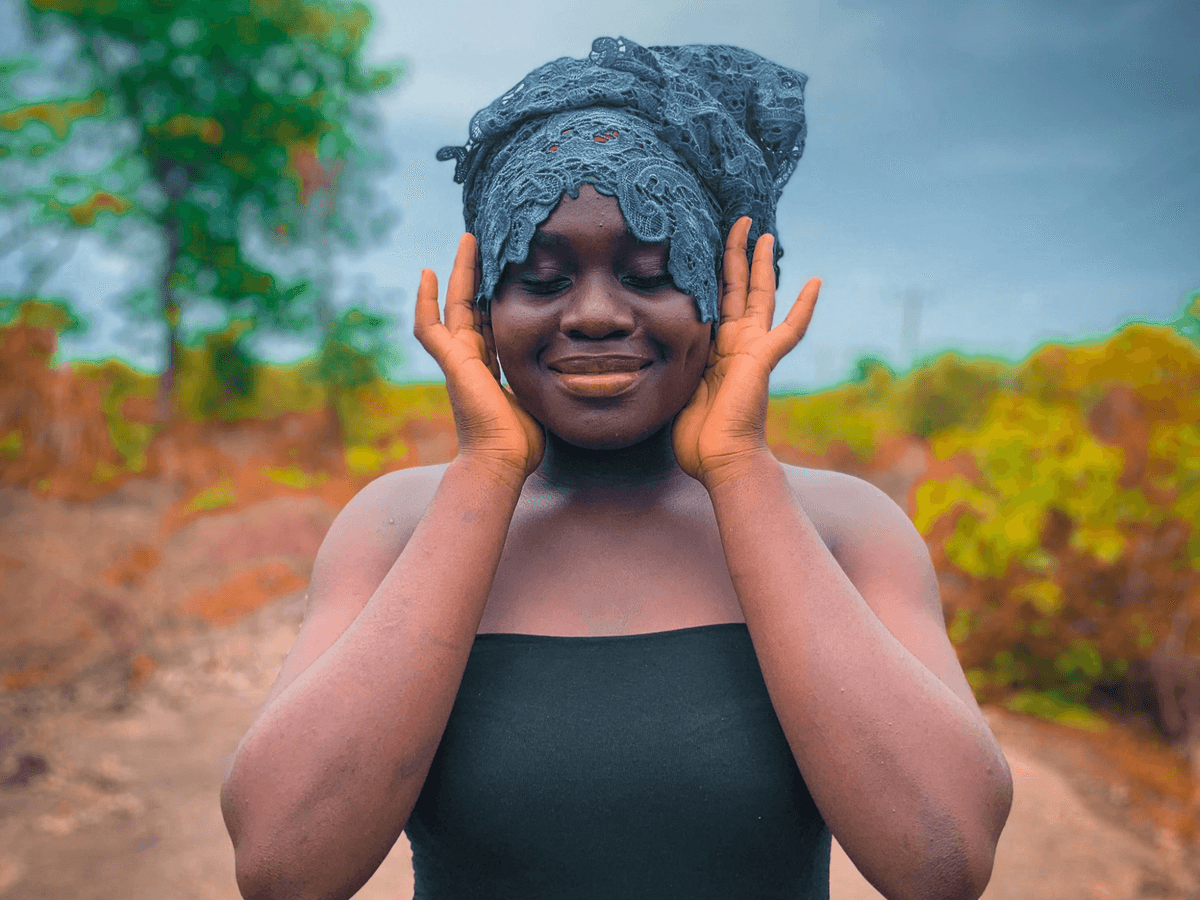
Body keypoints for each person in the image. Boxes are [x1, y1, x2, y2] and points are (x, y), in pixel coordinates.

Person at [220, 37, 1013, 900]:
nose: (595, 314)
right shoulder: (397, 526)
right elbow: (283, 868)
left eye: (652, 271)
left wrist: (740, 467)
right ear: (483, 305)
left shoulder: (844, 530)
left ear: (725, 293)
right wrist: (487, 468)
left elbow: (943, 861)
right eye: (540, 278)